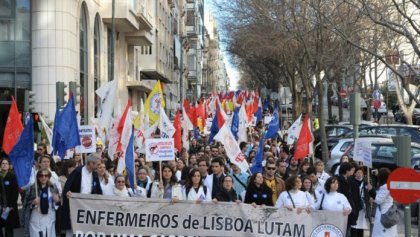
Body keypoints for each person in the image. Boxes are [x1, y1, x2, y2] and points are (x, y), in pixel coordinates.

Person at [61, 153, 102, 237]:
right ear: (90, 163)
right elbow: (67, 188)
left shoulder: (94, 174)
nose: (99, 166)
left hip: (88, 209)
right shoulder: (77, 172)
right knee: (72, 231)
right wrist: (68, 193)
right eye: (97, 164)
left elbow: (98, 191)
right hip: (75, 208)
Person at [23, 169, 60, 237]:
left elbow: (57, 204)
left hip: (49, 217)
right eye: (41, 175)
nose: (44, 177)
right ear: (38, 177)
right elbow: (25, 204)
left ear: (49, 177)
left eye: (46, 175)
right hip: (36, 217)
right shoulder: (32, 188)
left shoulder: (53, 187)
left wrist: (57, 201)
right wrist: (33, 203)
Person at [337, 162, 362, 235]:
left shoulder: (350, 180)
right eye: (352, 171)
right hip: (342, 210)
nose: (353, 173)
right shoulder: (338, 181)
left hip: (349, 209)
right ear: (347, 170)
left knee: (348, 231)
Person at [372, 168, 397, 237]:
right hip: (388, 212)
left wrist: (371, 191)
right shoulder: (389, 184)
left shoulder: (385, 187)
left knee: (382, 233)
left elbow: (378, 200)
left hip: (384, 213)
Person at [351, 167, 375, 237]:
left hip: (363, 206)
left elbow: (372, 194)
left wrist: (371, 191)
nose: (359, 174)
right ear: (355, 173)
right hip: (355, 206)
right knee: (354, 225)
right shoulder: (352, 182)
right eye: (358, 172)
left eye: (361, 173)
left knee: (361, 224)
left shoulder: (365, 183)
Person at [0, 158, 19, 237]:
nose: (4, 165)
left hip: (9, 207)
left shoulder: (12, 177)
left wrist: (11, 206)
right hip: (0, 206)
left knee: (9, 229)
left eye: (6, 163)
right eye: (3, 163)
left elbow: (15, 193)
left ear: (9, 166)